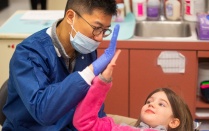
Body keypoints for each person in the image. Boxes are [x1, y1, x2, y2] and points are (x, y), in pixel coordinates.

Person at [2, 0, 118, 130]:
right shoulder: (28, 54)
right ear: (70, 17)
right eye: (96, 28)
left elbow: (91, 104)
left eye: (105, 30)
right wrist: (89, 72)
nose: (100, 38)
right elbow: (43, 112)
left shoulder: (86, 49)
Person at [73, 56, 194, 131]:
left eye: (161, 104)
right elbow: (83, 122)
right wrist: (102, 83)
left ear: (173, 122)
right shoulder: (120, 128)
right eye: (149, 102)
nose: (151, 105)